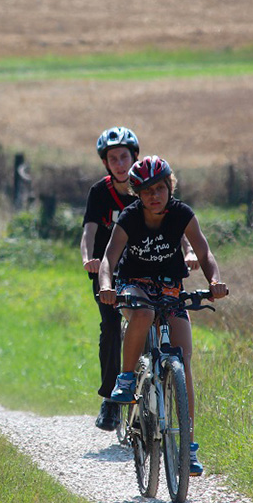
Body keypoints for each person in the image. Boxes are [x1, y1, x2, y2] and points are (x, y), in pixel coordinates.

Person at [98, 156, 228, 476]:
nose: (154, 196)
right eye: (146, 191)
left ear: (170, 186)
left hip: (170, 289)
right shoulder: (129, 218)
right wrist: (105, 286)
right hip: (134, 287)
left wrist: (214, 281)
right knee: (141, 314)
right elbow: (108, 259)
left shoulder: (182, 214)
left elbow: (204, 251)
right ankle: (127, 378)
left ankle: (188, 447)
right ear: (137, 195)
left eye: (160, 188)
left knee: (183, 360)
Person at [81, 127, 140, 432]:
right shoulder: (99, 192)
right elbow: (89, 231)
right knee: (111, 326)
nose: (120, 164)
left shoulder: (148, 187)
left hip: (143, 267)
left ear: (135, 158)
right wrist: (87, 259)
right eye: (113, 159)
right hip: (107, 269)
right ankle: (111, 400)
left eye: (124, 157)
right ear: (106, 163)